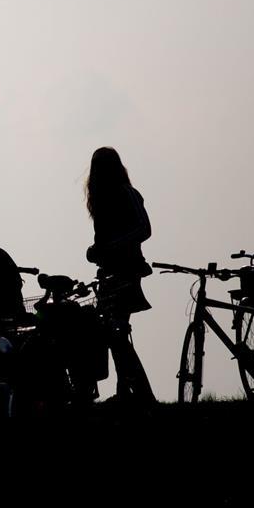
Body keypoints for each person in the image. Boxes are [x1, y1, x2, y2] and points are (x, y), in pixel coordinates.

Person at [84, 146, 155, 407]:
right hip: (110, 273)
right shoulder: (103, 199)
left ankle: (140, 395)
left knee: (115, 333)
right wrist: (96, 251)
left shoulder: (127, 194)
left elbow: (144, 229)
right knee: (114, 334)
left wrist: (111, 246)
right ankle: (127, 392)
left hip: (125, 272)